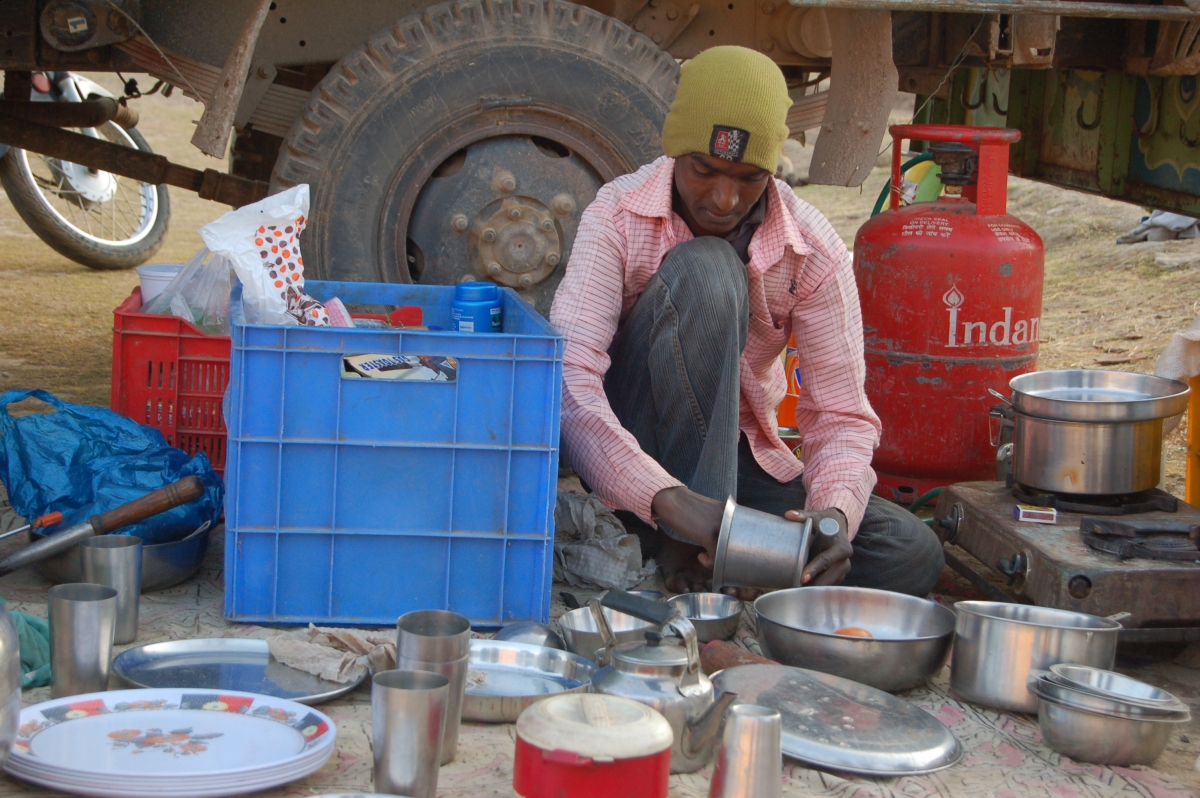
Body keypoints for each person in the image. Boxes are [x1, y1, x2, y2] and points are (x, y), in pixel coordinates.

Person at [548, 46, 944, 597]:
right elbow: (569, 385)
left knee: (906, 552)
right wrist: (672, 499)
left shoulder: (812, 250)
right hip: (630, 453)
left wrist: (830, 520)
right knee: (709, 272)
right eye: (703, 171)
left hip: (728, 475)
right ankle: (694, 552)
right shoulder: (616, 215)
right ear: (676, 150)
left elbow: (840, 416)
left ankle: (708, 554)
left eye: (749, 177)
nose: (723, 199)